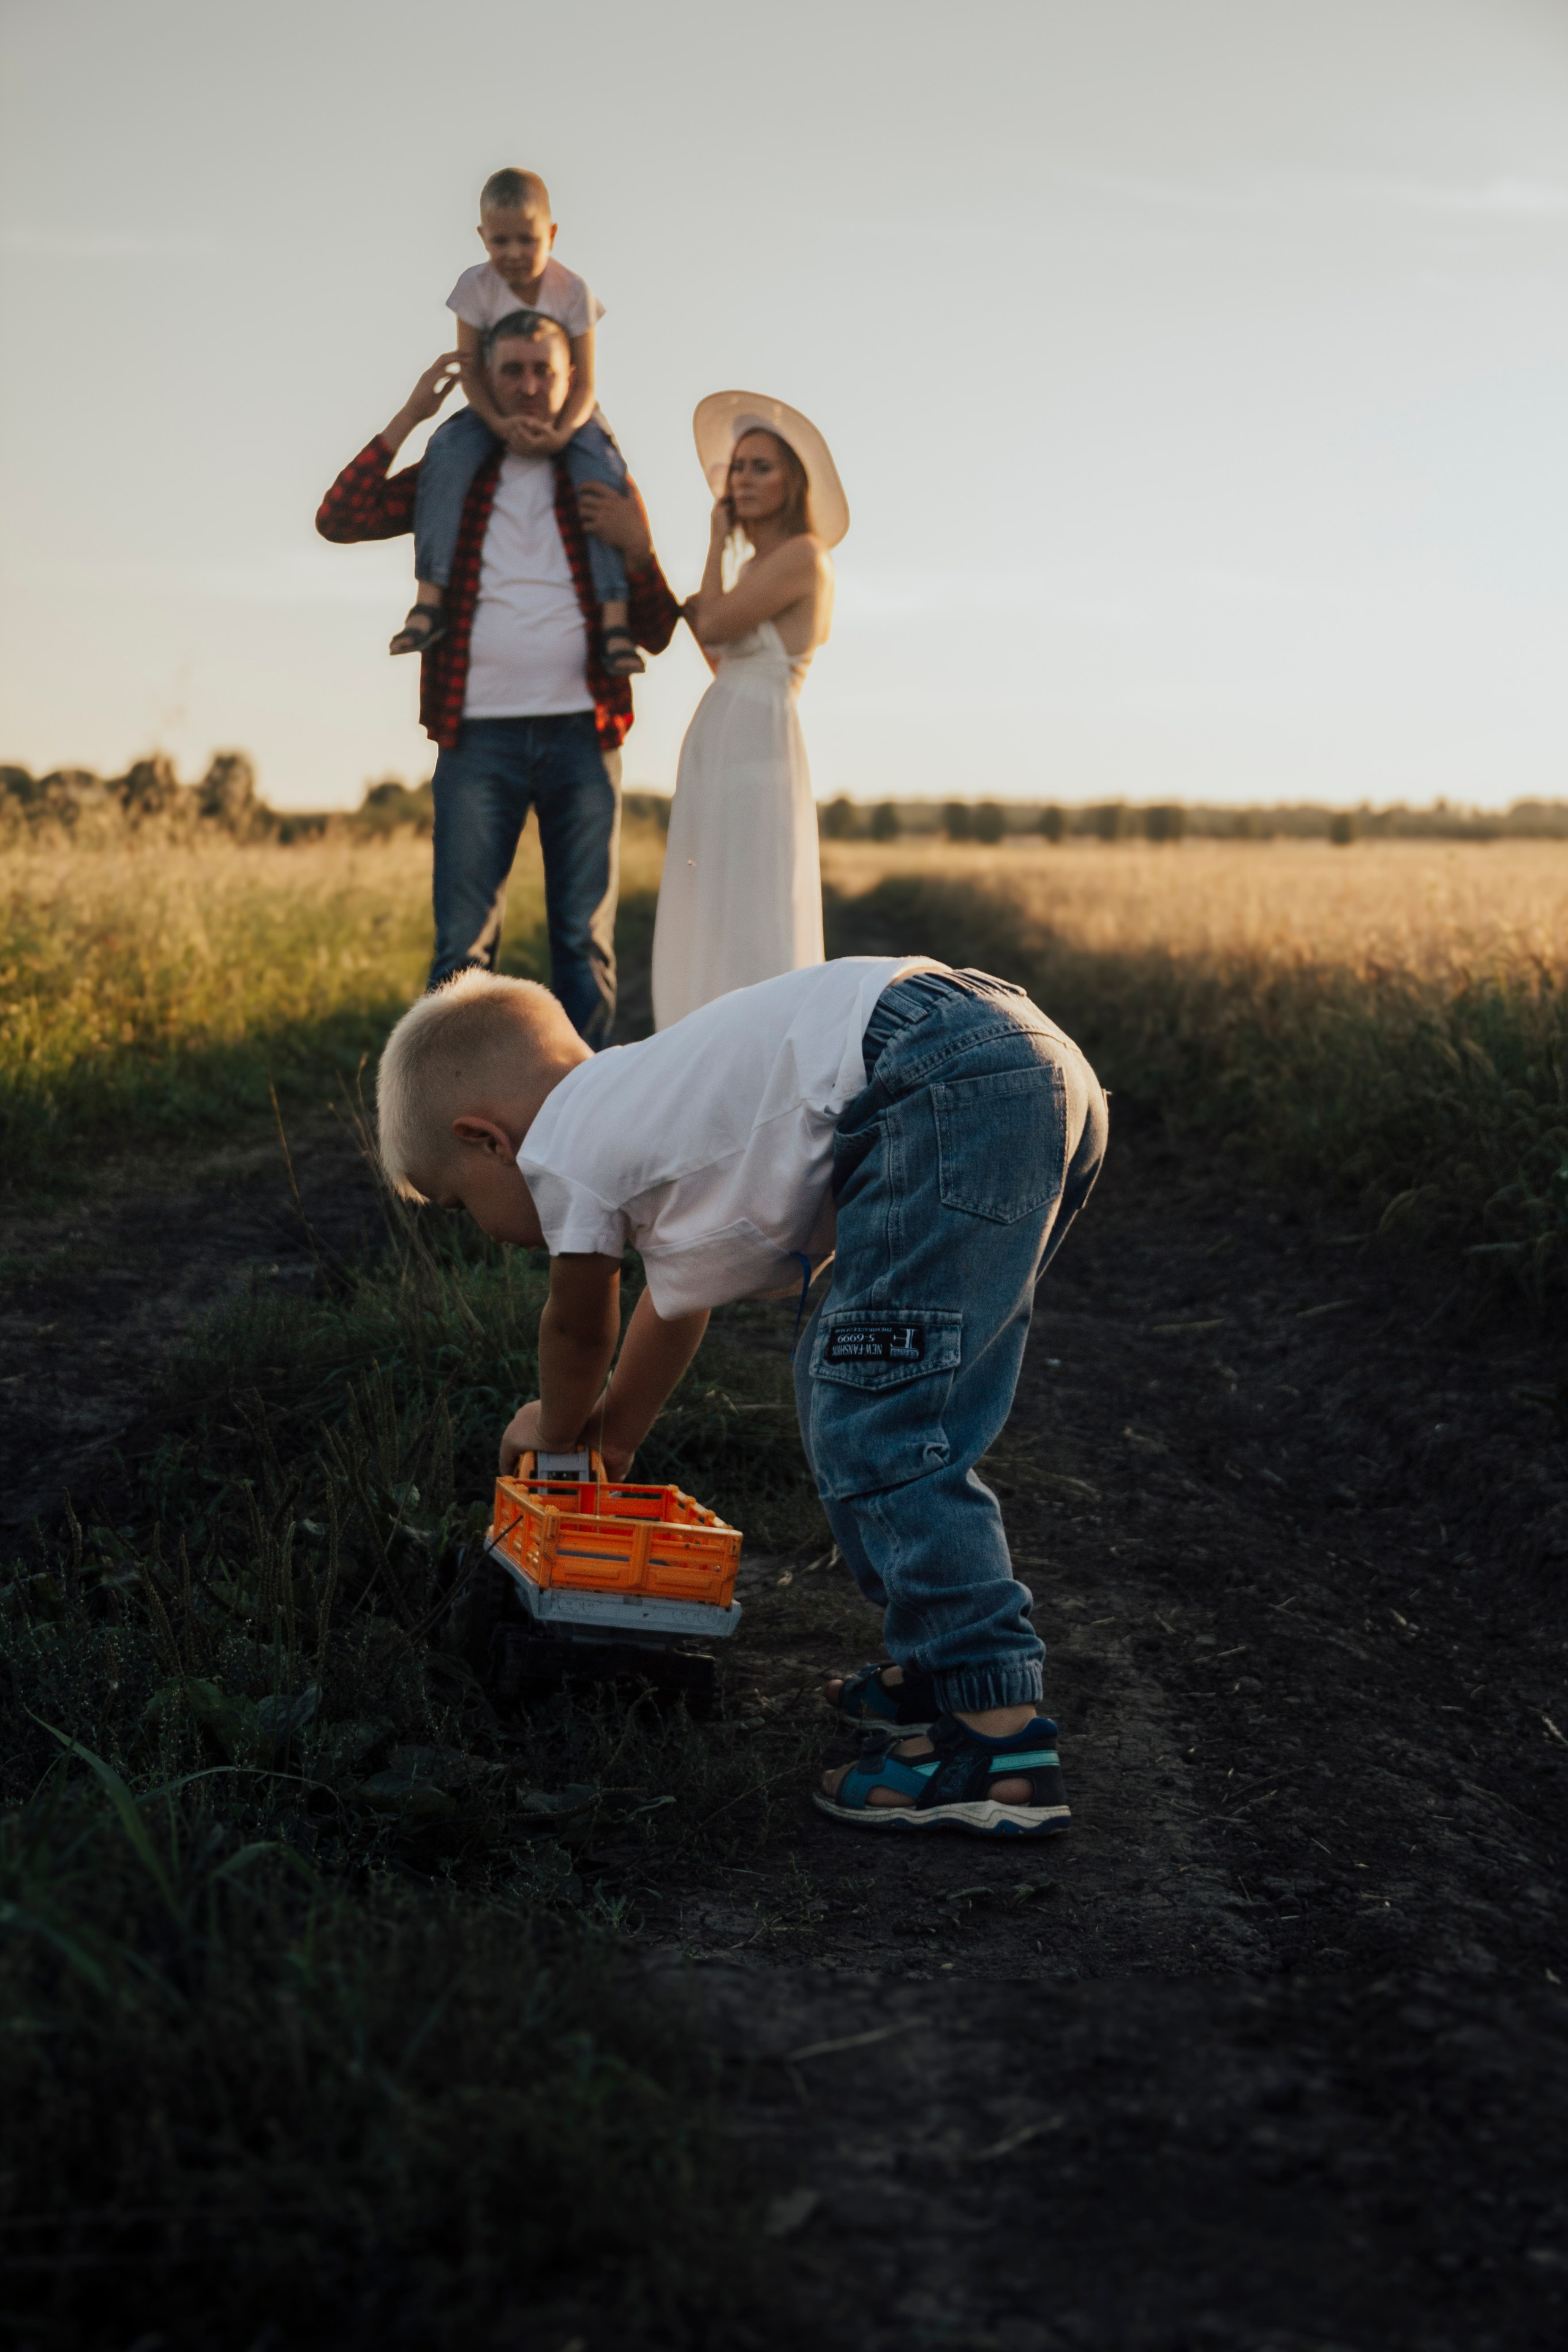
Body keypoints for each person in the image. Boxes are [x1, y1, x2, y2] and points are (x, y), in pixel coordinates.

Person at [375, 956, 1109, 1838]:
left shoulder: (563, 1143)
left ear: (487, 1139)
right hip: (1025, 1061)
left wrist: (556, 1434)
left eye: (460, 1205)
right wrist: (611, 1445)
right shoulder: (640, 1110)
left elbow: (579, 1328)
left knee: (883, 1417)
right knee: (860, 1384)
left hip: (943, 1071)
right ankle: (941, 1663)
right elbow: (675, 1307)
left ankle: (999, 1741)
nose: (481, 1229)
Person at [315, 327, 679, 1042]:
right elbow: (340, 519)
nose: (528, 385)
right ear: (486, 377)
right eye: (511, 371)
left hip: (585, 733)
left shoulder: (597, 475)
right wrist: (411, 415)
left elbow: (659, 630)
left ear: (571, 377)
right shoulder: (457, 473)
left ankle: (588, 1126)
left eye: (543, 370)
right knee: (461, 954)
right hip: (476, 734)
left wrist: (638, 546)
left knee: (583, 945)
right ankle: (456, 1123)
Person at [391, 167, 644, 679]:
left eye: (526, 240)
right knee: (446, 455)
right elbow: (471, 370)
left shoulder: (572, 291)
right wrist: (498, 426)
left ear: (551, 236)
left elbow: (584, 382)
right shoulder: (475, 288)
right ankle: (429, 597)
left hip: (567, 410)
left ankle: (615, 617)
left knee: (603, 470)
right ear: (482, 238)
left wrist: (562, 434)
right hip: (491, 407)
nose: (512, 253)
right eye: (500, 240)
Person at [647, 393, 847, 1030]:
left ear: (792, 481)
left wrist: (712, 544)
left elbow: (712, 623)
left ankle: (754, 1043)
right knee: (710, 896)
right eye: (738, 468)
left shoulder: (801, 556)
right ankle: (702, 1036)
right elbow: (719, 652)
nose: (744, 480)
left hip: (759, 736)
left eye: (761, 466)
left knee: (750, 896)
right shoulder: (759, 566)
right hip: (724, 728)